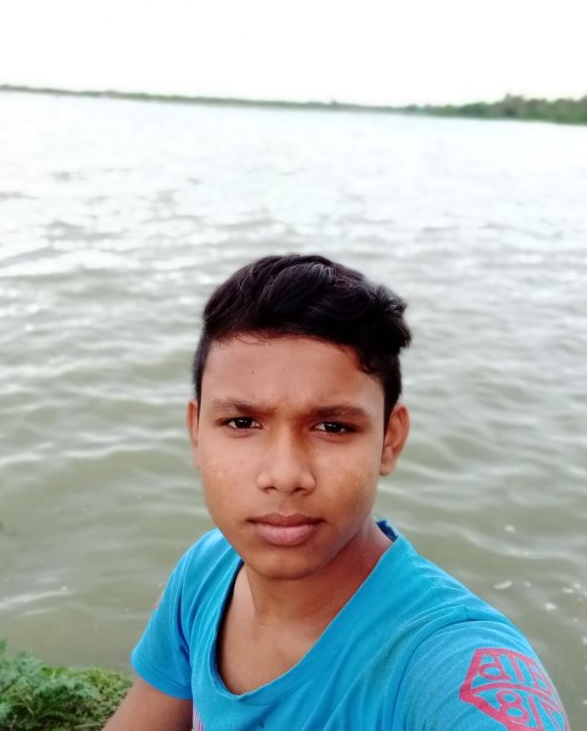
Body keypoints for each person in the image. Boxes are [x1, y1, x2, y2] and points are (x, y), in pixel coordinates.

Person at [104, 254, 568, 730]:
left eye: (332, 427)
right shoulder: (207, 571)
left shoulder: (442, 663)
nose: (285, 475)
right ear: (196, 432)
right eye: (242, 422)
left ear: (389, 441)